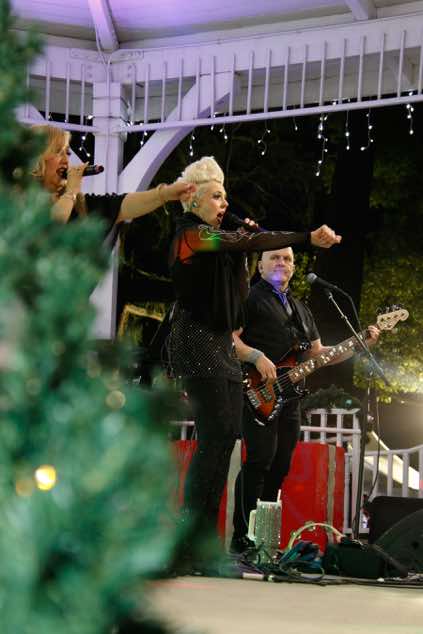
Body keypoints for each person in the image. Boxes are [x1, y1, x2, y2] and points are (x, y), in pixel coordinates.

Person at [167, 156, 341, 567]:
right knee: (213, 441)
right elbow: (238, 245)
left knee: (224, 440)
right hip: (195, 341)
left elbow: (240, 261)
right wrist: (304, 237)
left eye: (225, 195)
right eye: (216, 195)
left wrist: (250, 237)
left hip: (219, 344)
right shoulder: (190, 235)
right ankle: (186, 543)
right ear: (193, 199)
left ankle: (202, 547)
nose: (224, 203)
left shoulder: (221, 243)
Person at [230, 246, 380, 553]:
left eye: (287, 259)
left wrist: (358, 343)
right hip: (258, 393)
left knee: (280, 466)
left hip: (290, 398)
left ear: (294, 268)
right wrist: (256, 356)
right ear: (260, 267)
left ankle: (264, 541)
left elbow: (318, 354)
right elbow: (229, 338)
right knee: (258, 462)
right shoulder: (249, 298)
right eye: (274, 257)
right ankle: (241, 540)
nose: (281, 262)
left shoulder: (301, 309)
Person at [31, 124, 195, 244]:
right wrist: (71, 192)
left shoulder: (79, 204)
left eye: (67, 153)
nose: (66, 160)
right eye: (58, 152)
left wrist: (165, 193)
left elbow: (121, 205)